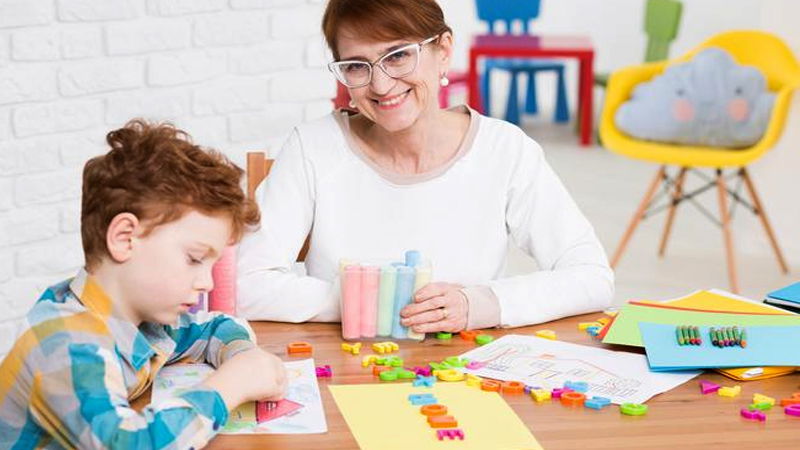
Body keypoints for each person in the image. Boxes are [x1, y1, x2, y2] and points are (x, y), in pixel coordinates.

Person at [237, 0, 614, 332]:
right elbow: (246, 284)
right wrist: (370, 302)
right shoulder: (312, 147)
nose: (381, 85)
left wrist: (480, 304)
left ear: (443, 50)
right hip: (346, 367)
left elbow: (592, 276)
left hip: (468, 369)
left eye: (397, 56)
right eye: (356, 66)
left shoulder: (505, 149)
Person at [0, 120, 286, 449]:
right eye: (194, 259)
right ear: (125, 239)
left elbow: (214, 328)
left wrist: (242, 357)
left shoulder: (138, 323)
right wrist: (230, 385)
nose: (208, 283)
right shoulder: (65, 345)